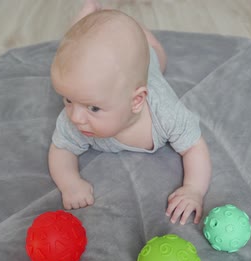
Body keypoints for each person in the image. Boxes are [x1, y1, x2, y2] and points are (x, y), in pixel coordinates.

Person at [48, 0, 211, 225]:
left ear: (136, 101)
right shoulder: (76, 118)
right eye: (67, 99)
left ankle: (135, 29)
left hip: (150, 65)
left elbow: (194, 146)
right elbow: (60, 150)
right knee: (79, 51)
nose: (75, 117)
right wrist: (71, 183)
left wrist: (193, 189)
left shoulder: (166, 114)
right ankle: (90, 20)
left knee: (155, 54)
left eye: (93, 107)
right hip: (111, 80)